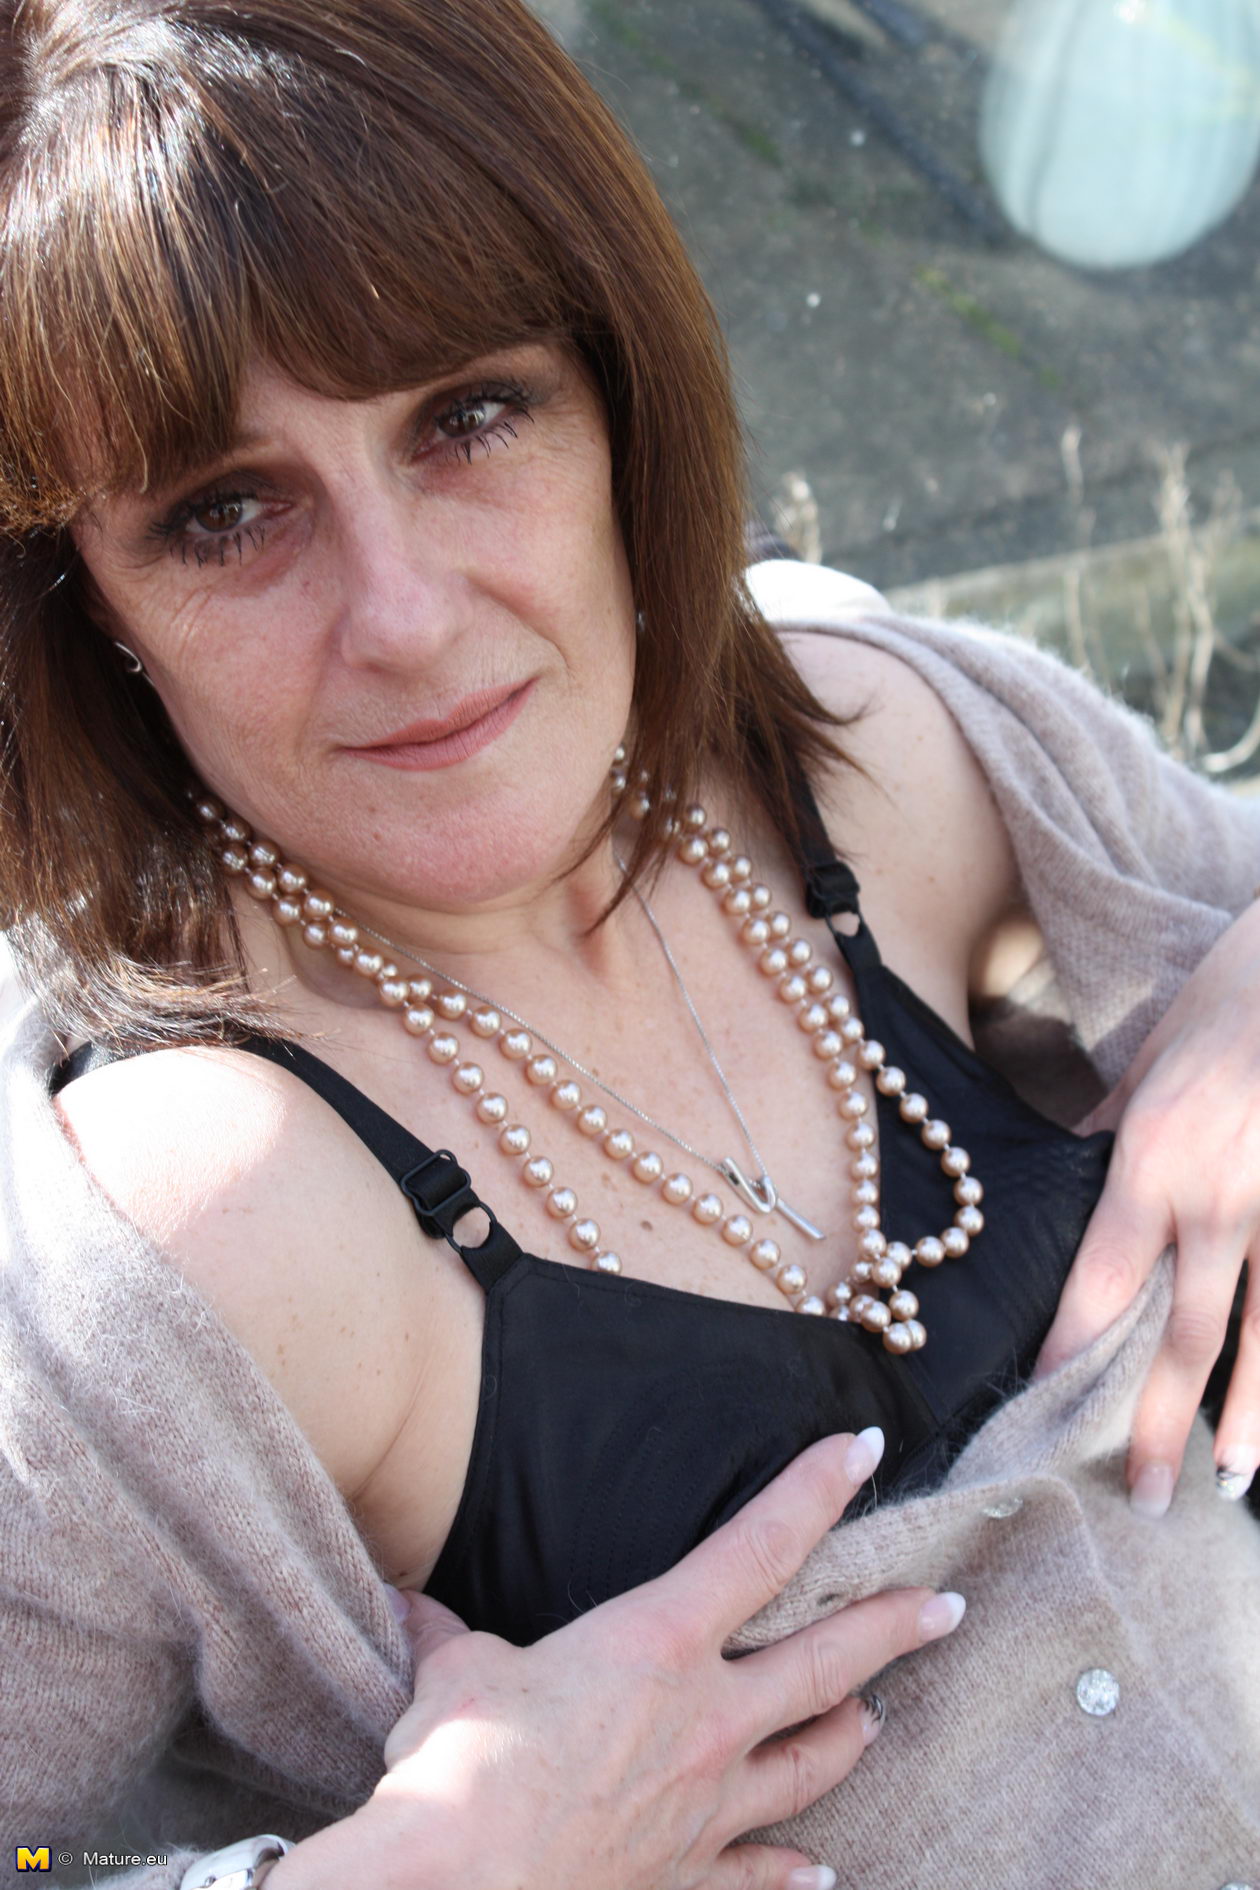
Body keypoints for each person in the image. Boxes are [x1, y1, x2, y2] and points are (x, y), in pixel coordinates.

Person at [0, 3, 1258, 1888]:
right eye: (226, 513)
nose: (406, 615)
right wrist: (412, 1873)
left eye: (467, 415)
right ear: (87, 605)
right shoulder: (185, 1226)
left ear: (616, 397)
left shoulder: (874, 738)